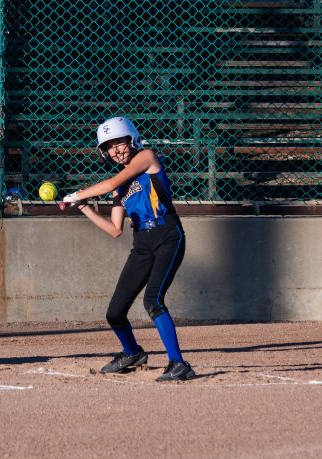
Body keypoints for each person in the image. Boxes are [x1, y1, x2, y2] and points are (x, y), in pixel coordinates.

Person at [62, 117, 195, 381]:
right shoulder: (121, 187)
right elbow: (114, 228)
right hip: (142, 242)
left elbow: (110, 184)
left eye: (119, 143)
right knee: (115, 312)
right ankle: (132, 352)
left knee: (153, 300)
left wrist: (78, 194)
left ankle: (179, 364)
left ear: (131, 139)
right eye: (109, 147)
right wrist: (85, 207)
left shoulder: (146, 157)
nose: (115, 151)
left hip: (168, 235)